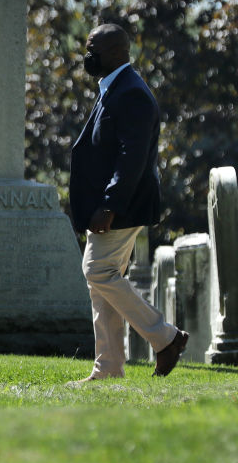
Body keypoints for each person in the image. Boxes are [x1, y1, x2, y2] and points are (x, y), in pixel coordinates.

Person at [69, 23, 188, 382]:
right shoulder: (114, 88)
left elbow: (131, 158)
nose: (88, 56)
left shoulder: (131, 93)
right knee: (103, 282)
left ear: (117, 52)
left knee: (97, 271)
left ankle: (165, 337)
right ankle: (108, 368)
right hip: (107, 205)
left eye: (94, 48)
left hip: (121, 206)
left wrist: (109, 204)